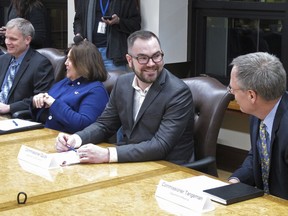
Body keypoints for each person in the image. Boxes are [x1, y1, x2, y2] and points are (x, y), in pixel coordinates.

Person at [55, 30, 195, 165]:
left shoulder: (178, 92)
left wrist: (107, 154)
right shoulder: (123, 83)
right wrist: (76, 138)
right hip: (133, 163)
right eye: (143, 58)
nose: (151, 63)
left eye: (156, 56)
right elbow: (105, 125)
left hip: (169, 169)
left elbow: (161, 145)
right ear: (129, 60)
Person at [227, 52, 288, 200]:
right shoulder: (259, 112)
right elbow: (258, 154)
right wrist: (237, 180)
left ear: (251, 96)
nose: (231, 94)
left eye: (232, 89)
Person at [31, 40, 109, 134]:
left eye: (70, 60)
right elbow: (44, 113)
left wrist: (53, 103)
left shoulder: (96, 91)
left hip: (72, 143)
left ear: (84, 63)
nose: (65, 63)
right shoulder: (64, 82)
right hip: (45, 135)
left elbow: (83, 125)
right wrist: (38, 102)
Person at [0, 18, 54, 116]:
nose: (7, 42)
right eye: (6, 37)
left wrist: (9, 108)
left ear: (27, 40)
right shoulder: (3, 59)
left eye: (13, 39)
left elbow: (40, 98)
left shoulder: (41, 64)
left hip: (16, 118)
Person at [73, 0, 141, 71]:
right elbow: (78, 20)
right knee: (90, 82)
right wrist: (79, 34)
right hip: (89, 54)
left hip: (114, 56)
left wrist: (118, 21)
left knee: (115, 82)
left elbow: (136, 24)